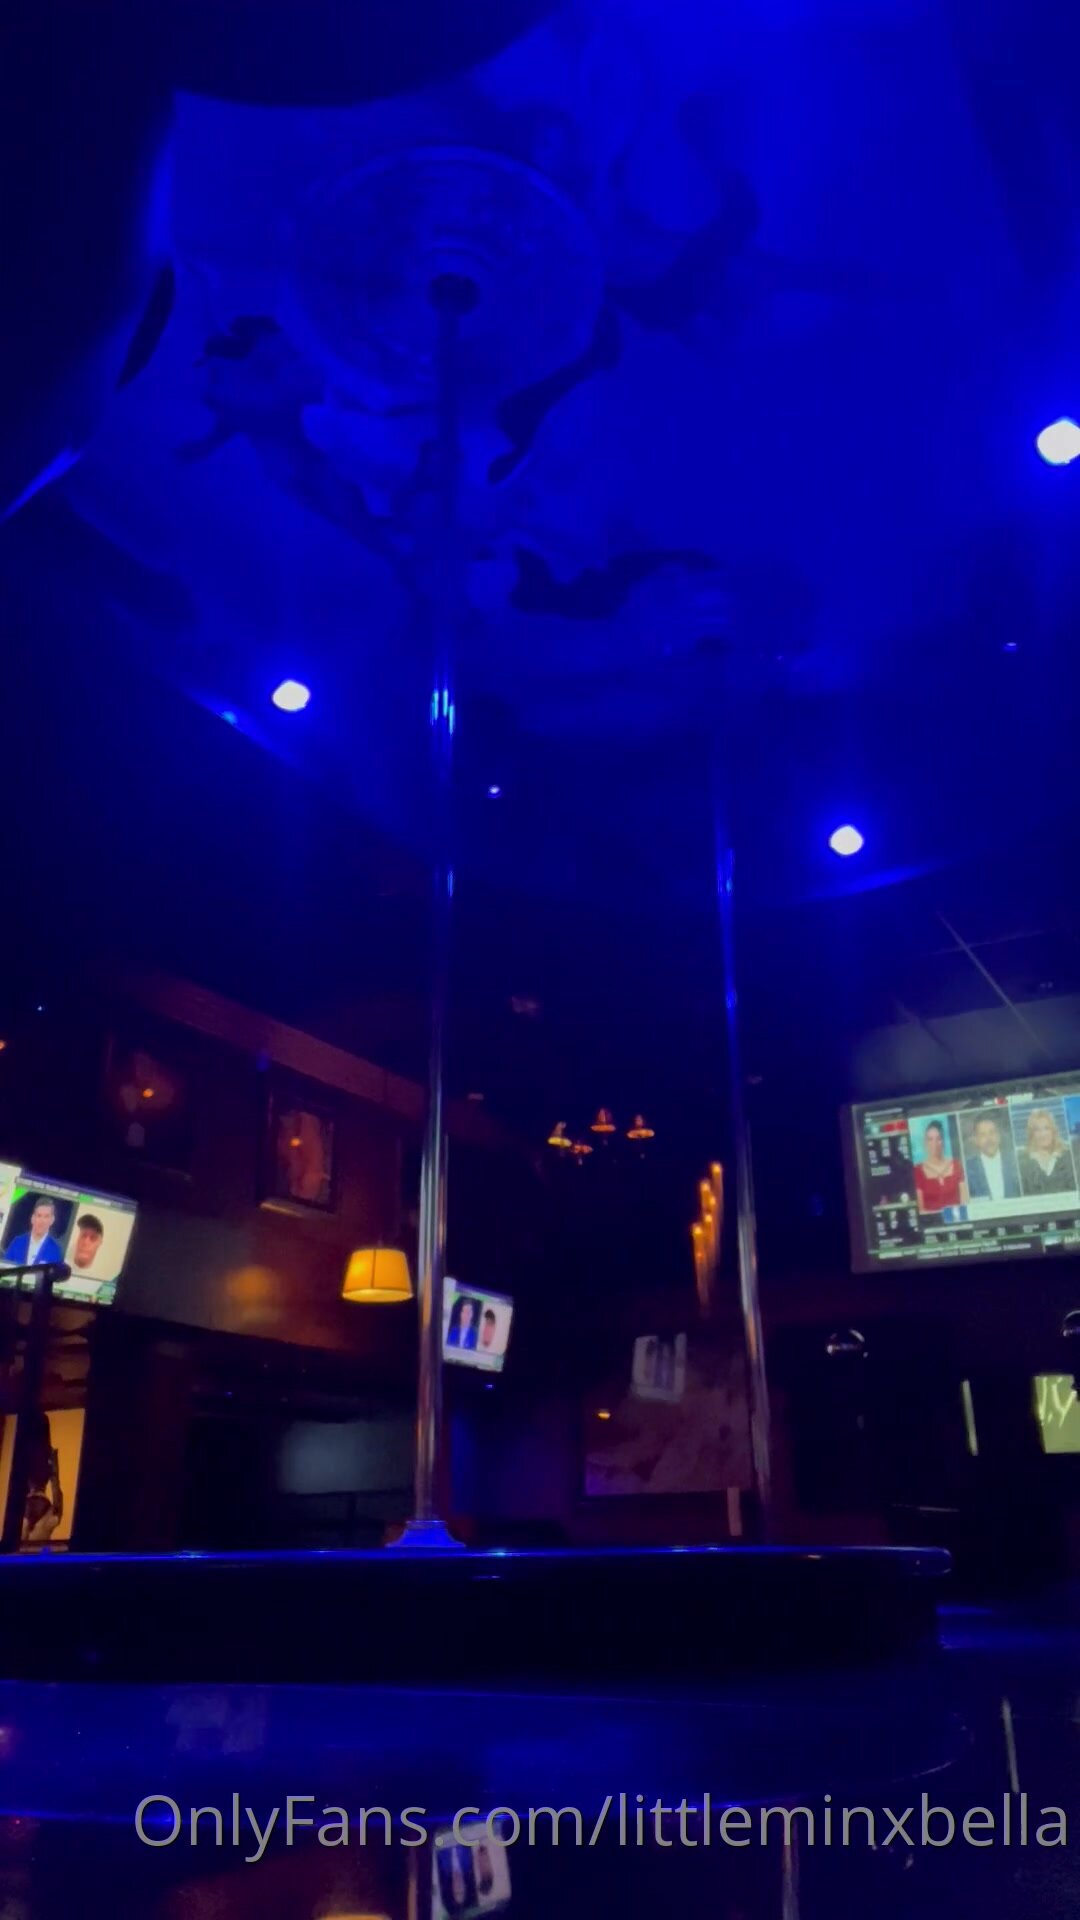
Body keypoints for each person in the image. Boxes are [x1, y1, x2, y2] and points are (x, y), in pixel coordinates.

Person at [1017, 1109, 1077, 1198]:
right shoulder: (1022, 1161)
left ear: (1053, 1131)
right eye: (1037, 1130)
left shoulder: (1068, 1156)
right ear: (1031, 1134)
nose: (1043, 1134)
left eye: (1047, 1128)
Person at [913, 1121, 967, 1214]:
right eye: (930, 1139)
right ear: (925, 1143)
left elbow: (964, 1204)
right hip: (932, 1222)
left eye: (938, 1139)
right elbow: (920, 1211)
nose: (934, 1144)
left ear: (943, 1141)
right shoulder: (917, 1171)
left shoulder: (956, 1165)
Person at [965, 1116, 1021, 1202]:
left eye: (992, 1132)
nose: (989, 1139)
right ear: (976, 1140)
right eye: (983, 1135)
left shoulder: (1015, 1161)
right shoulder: (967, 1168)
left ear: (999, 1136)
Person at [3, 1197, 65, 1268]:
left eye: (46, 1216)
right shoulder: (17, 1242)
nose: (42, 1221)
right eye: (39, 1215)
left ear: (52, 1220)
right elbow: (4, 1269)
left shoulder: (55, 1250)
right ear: (32, 1218)